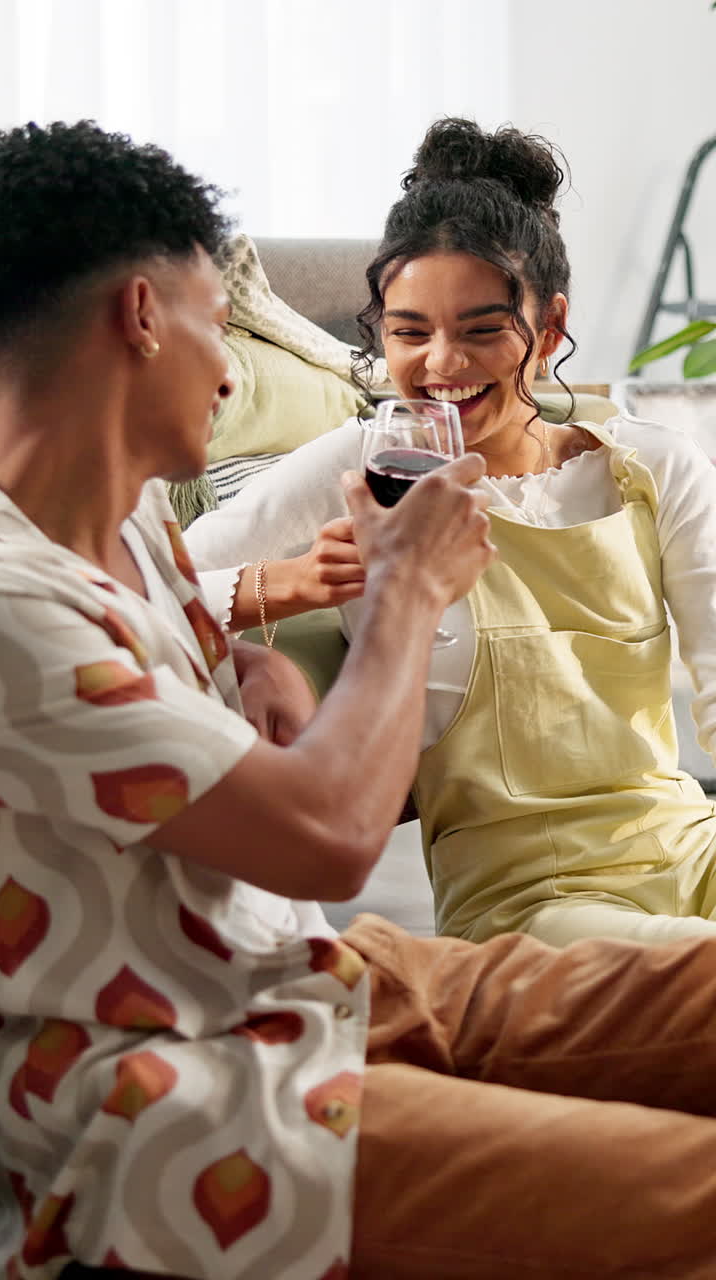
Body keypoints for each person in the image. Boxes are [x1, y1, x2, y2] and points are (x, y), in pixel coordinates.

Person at [0, 121, 716, 1280]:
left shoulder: (125, 522)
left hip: (323, 975)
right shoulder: (12, 607)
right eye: (211, 321)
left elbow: (210, 691)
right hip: (192, 1081)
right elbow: (328, 834)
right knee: (693, 1187)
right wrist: (406, 590)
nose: (234, 370)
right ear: (140, 315)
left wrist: (252, 665)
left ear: (550, 322)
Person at [185, 116, 716, 951]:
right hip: (527, 901)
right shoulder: (357, 468)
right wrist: (284, 591)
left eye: (480, 329)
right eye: (408, 332)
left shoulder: (653, 468)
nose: (441, 365)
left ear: (546, 330)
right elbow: (137, 589)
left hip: (691, 851)